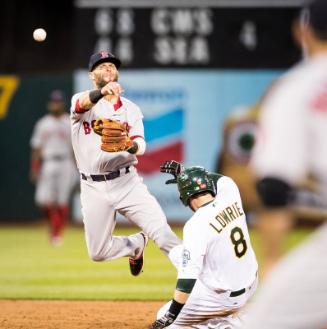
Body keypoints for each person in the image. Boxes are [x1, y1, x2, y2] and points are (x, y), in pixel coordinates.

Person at [241, 0, 327, 327]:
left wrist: (273, 259)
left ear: (302, 30)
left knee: (264, 322)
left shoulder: (298, 88)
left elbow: (274, 186)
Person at [70, 51, 181, 276]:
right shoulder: (82, 101)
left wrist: (128, 145)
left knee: (162, 233)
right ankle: (135, 245)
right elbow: (81, 105)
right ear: (92, 75)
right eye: (102, 66)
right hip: (92, 187)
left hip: (126, 183)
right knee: (98, 252)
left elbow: (141, 145)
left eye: (112, 65)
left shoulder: (131, 109)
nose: (109, 68)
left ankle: (199, 280)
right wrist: (101, 92)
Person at [150, 162, 258, 329]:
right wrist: (184, 172)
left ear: (185, 197)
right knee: (178, 253)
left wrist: (170, 316)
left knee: (166, 322)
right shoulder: (229, 191)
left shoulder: (196, 225)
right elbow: (218, 179)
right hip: (251, 282)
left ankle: (228, 325)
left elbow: (187, 281)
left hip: (223, 299)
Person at [30, 90, 77, 246]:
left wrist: (78, 169)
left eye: (58, 101)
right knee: (43, 200)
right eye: (53, 101)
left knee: (62, 199)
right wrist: (35, 167)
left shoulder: (69, 122)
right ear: (49, 103)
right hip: (48, 162)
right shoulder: (43, 123)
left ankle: (57, 233)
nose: (55, 104)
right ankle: (54, 228)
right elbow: (37, 147)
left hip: (66, 162)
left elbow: (76, 148)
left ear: (63, 103)